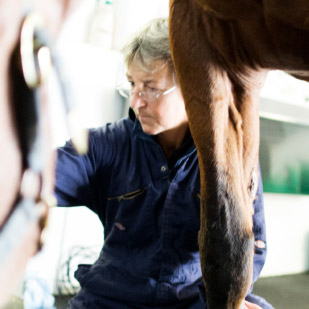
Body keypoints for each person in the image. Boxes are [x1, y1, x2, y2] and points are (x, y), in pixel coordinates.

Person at [54, 18, 272, 309]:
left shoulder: (230, 158)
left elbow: (252, 245)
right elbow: (40, 173)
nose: (136, 101)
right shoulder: (107, 146)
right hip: (114, 298)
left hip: (194, 302)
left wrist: (232, 299)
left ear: (192, 86)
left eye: (150, 88)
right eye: (132, 84)